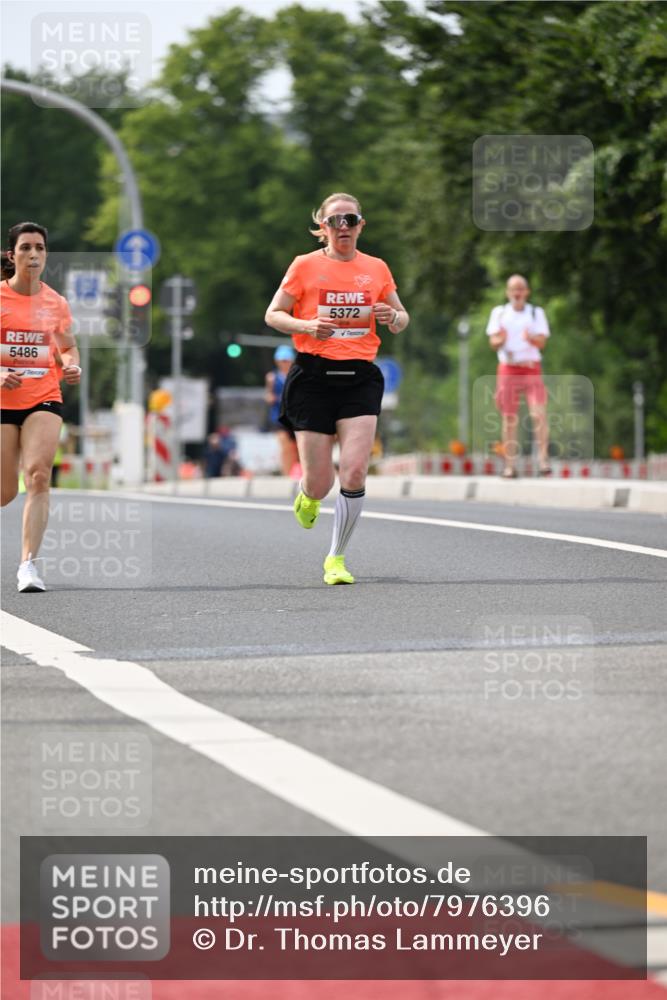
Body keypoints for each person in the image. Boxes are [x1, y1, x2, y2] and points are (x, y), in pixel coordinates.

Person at [265, 192, 409, 585]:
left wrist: (392, 315)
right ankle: (308, 495)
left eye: (350, 219)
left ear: (361, 225)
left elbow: (401, 317)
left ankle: (336, 559)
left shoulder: (376, 268)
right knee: (320, 481)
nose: (343, 227)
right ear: (322, 228)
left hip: (359, 377)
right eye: (335, 221)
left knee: (355, 471)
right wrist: (307, 326)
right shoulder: (304, 266)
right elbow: (273, 313)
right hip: (313, 377)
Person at [1, 222, 81, 591]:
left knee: (37, 475)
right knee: (4, 493)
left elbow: (67, 345)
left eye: (40, 248)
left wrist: (71, 364)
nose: (33, 255)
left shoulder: (55, 302)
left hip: (43, 396)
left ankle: (28, 566)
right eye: (26, 248)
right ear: (11, 254)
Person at [486, 274, 551, 478]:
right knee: (509, 418)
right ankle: (510, 465)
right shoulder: (499, 313)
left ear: (526, 292)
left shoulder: (535, 312)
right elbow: (493, 342)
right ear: (508, 292)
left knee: (538, 414)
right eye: (514, 289)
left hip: (531, 368)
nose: (517, 293)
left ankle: (543, 461)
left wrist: (530, 338)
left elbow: (542, 342)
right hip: (508, 368)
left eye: (521, 289)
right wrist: (501, 340)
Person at [264, 344, 299, 476]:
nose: (284, 363)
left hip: (294, 416)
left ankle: (297, 473)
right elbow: (268, 395)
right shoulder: (272, 377)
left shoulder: (296, 374)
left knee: (298, 448)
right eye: (282, 360)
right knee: (285, 447)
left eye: (286, 360)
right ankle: (287, 474)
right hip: (278, 417)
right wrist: (272, 398)